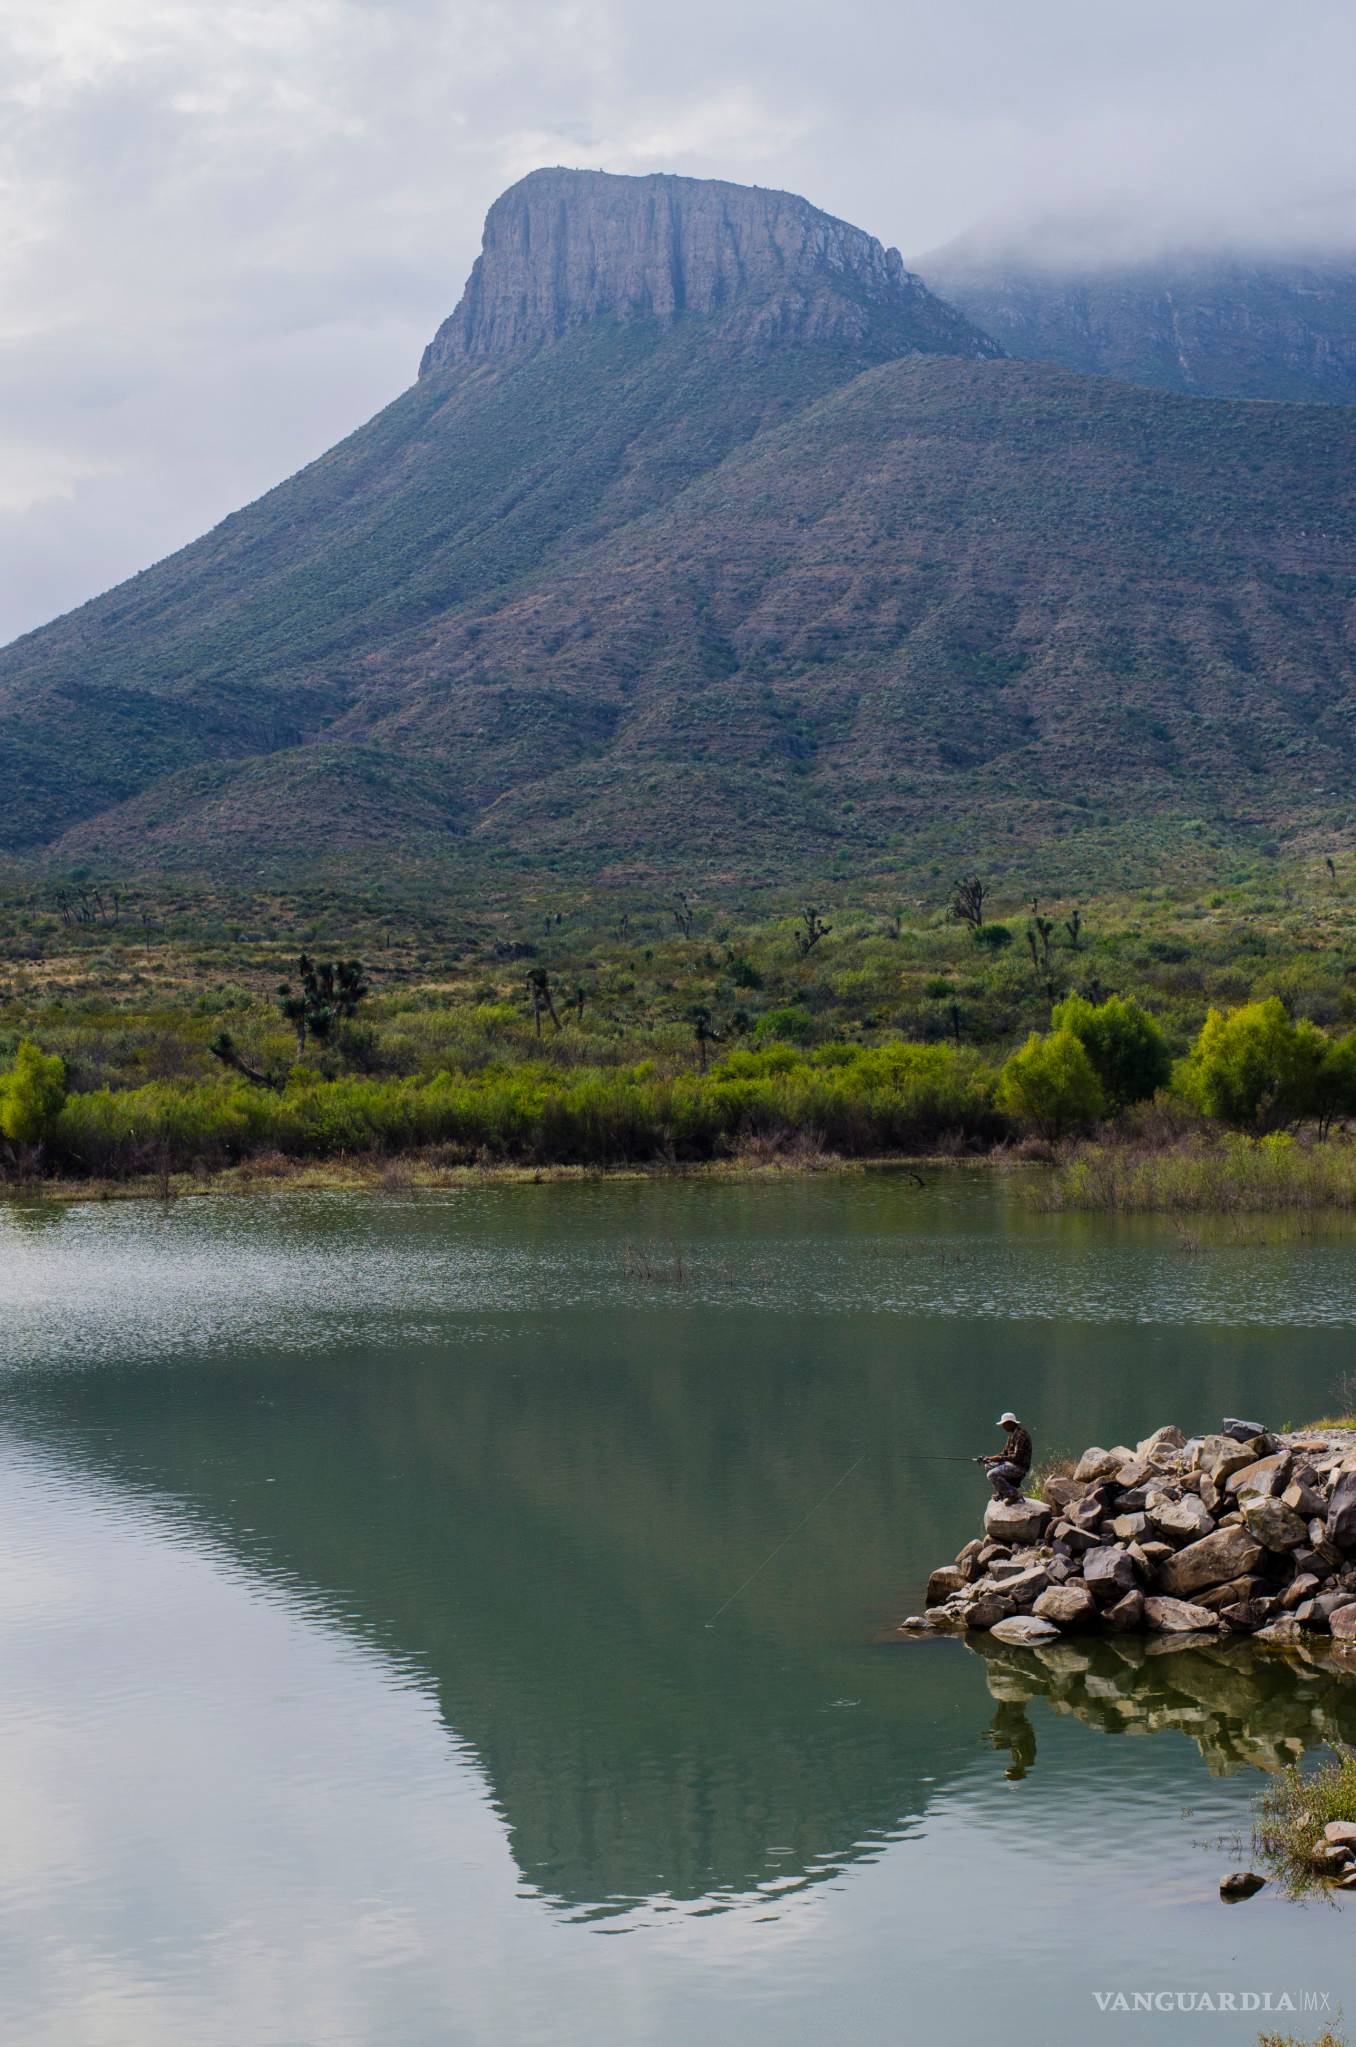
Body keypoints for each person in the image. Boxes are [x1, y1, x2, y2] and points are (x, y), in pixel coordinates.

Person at [980, 1410, 1032, 1502]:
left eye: (1004, 1424)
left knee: (991, 1474)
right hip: (1011, 1463)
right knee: (988, 1465)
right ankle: (1002, 1492)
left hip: (1019, 1467)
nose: (1003, 1426)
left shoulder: (1021, 1436)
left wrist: (999, 1458)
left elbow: (1016, 1457)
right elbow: (1004, 1453)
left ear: (1010, 1423)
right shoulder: (1012, 1435)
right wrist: (989, 1459)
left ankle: (1013, 1494)